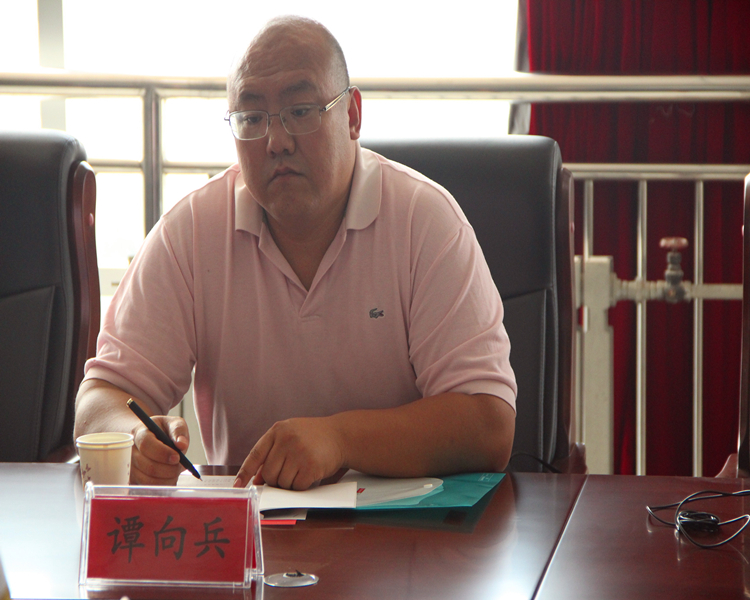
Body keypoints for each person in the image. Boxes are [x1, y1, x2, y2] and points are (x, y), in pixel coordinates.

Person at [74, 15, 517, 491]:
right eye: (252, 119)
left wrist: (340, 439)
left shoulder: (424, 221)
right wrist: (136, 438)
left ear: (352, 116)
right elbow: (99, 400)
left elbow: (489, 425)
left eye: (301, 111)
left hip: (405, 527)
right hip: (252, 527)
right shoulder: (193, 232)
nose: (276, 142)